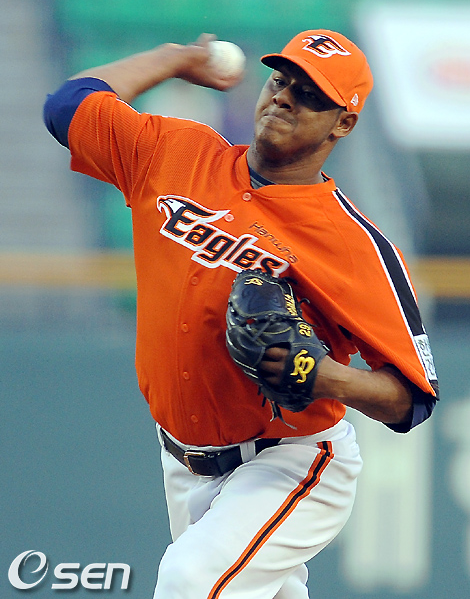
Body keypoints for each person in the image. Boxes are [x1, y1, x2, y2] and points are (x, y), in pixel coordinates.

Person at [43, 30, 438, 599]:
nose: (285, 97)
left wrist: (323, 376)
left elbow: (413, 399)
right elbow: (67, 105)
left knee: (189, 581)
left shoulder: (357, 246)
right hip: (183, 464)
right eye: (281, 80)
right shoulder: (176, 154)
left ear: (343, 124)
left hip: (292, 462)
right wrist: (176, 59)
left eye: (310, 95)